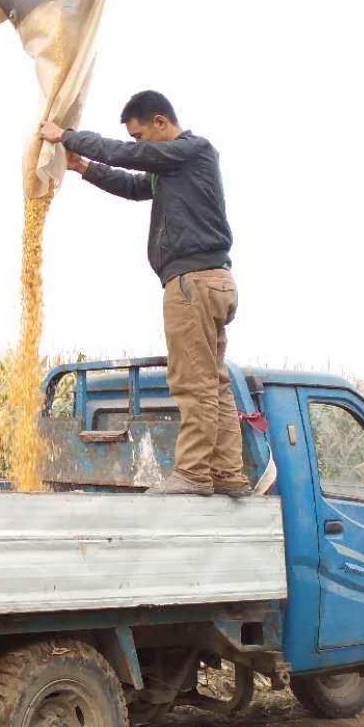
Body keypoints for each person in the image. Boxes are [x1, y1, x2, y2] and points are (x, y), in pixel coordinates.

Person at [38, 90, 249, 498]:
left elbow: (132, 158)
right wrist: (85, 168)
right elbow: (136, 186)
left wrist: (66, 136)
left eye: (140, 135)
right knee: (215, 383)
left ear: (160, 122)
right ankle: (228, 473)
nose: (138, 144)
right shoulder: (178, 167)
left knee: (193, 383)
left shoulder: (191, 150)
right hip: (212, 281)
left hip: (192, 283)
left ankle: (193, 474)